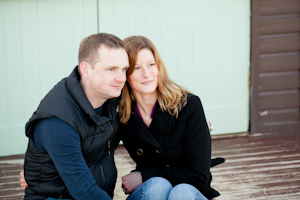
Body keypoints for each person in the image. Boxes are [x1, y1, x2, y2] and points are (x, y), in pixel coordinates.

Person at [22, 33, 129, 199]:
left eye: (124, 69)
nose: (121, 78)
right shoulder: (58, 121)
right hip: (58, 197)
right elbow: (84, 191)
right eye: (111, 69)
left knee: (156, 188)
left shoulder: (113, 98)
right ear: (86, 70)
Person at [118, 36, 221, 200]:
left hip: (190, 193)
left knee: (181, 193)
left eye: (151, 65)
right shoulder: (121, 112)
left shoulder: (188, 105)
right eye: (137, 68)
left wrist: (144, 175)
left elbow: (199, 177)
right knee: (158, 186)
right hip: (152, 193)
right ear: (125, 74)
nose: (147, 74)